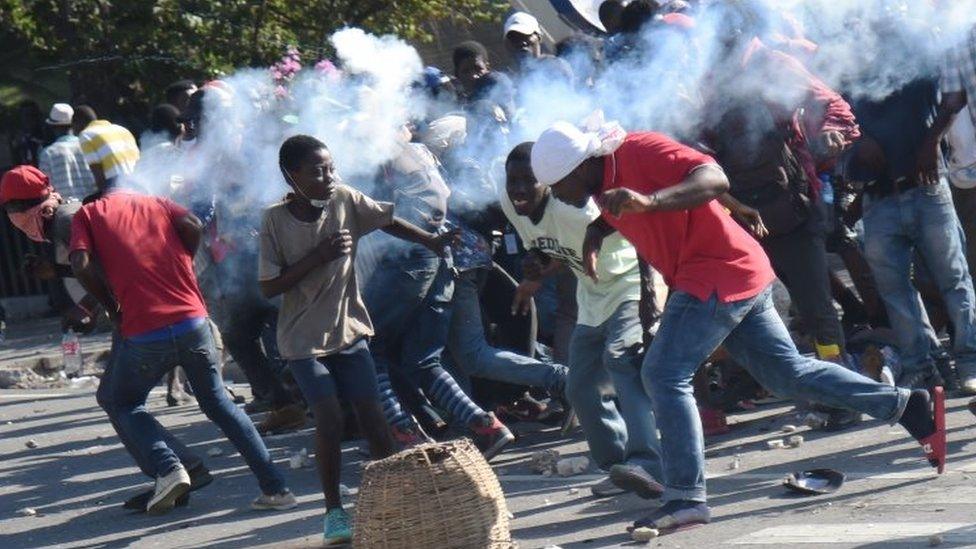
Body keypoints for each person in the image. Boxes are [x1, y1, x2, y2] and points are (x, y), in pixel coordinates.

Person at [530, 121, 945, 532]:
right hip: (727, 274)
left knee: (662, 373)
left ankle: (685, 498)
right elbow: (624, 208)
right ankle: (905, 405)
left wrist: (651, 200)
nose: (557, 196)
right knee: (786, 375)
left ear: (580, 166)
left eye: (558, 185)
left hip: (717, 271)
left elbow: (713, 178)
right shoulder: (600, 183)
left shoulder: (640, 150)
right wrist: (596, 231)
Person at [260, 135, 456, 544]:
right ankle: (333, 512)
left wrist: (431, 241)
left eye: (331, 167)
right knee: (329, 417)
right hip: (302, 340)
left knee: (374, 418)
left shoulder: (344, 198)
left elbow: (387, 220)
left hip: (349, 331)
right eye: (317, 171)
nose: (328, 177)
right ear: (292, 175)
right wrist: (319, 256)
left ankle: (396, 503)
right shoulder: (275, 220)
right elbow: (269, 287)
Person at [68, 180, 294, 515]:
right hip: (193, 321)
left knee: (123, 402)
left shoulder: (88, 213)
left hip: (145, 331)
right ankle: (276, 488)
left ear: (100, 196)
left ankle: (169, 467)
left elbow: (80, 264)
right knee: (221, 405)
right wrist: (183, 261)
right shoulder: (157, 202)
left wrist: (110, 306)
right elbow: (192, 224)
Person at [0, 164, 210, 511]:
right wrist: (58, 273)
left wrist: (90, 308)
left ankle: (174, 468)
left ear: (25, 209)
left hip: (139, 317)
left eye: (11, 211)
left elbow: (106, 271)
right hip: (141, 315)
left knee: (117, 398)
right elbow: (97, 268)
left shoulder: (65, 220)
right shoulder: (61, 219)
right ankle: (178, 469)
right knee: (118, 397)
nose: (12, 219)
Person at [502, 142, 663, 499]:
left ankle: (649, 462)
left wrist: (652, 293)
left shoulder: (577, 208)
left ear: (548, 180)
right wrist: (537, 263)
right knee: (580, 387)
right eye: (512, 181)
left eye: (528, 181)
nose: (518, 190)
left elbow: (641, 234)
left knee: (621, 360)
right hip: (591, 296)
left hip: (629, 285)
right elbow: (555, 248)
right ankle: (618, 466)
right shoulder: (510, 202)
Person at [363, 132, 515, 459]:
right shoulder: (417, 153)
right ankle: (485, 425)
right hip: (441, 258)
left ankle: (404, 434)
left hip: (407, 261)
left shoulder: (376, 156)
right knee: (423, 361)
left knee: (367, 347)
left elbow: (376, 216)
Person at [848, 72, 976, 395]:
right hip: (877, 196)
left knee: (953, 279)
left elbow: (954, 98)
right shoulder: (849, 64)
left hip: (928, 189)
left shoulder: (917, 51)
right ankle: (924, 366)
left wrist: (932, 140)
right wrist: (857, 139)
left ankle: (970, 363)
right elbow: (834, 116)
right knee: (895, 290)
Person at [72, 105, 140, 198]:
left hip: (116, 186)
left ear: (77, 123)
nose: (74, 131)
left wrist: (104, 200)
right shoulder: (122, 129)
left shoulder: (86, 135)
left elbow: (98, 174)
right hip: (138, 183)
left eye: (73, 127)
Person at [37, 103, 96, 201]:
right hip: (92, 205)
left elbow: (45, 189)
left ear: (52, 127)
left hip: (65, 210)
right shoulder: (88, 146)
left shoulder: (48, 154)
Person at [503, 11, 575, 86]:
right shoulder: (511, 80)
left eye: (525, 36)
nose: (522, 43)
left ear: (539, 37)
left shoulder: (555, 67)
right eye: (514, 39)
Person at [452, 41, 516, 119]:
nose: (474, 76)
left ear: (487, 68)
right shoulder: (455, 106)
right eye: (466, 71)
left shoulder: (499, 83)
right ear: (457, 75)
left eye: (478, 69)